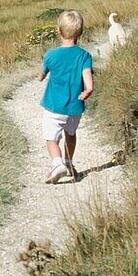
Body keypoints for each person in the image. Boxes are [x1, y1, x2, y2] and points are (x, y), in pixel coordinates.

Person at [37, 10, 93, 184]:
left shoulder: (51, 55)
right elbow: (88, 80)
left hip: (54, 106)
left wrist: (39, 76)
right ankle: (69, 163)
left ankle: (57, 163)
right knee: (71, 134)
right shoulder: (84, 55)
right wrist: (88, 89)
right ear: (80, 33)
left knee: (51, 138)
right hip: (75, 109)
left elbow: (41, 76)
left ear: (58, 31)